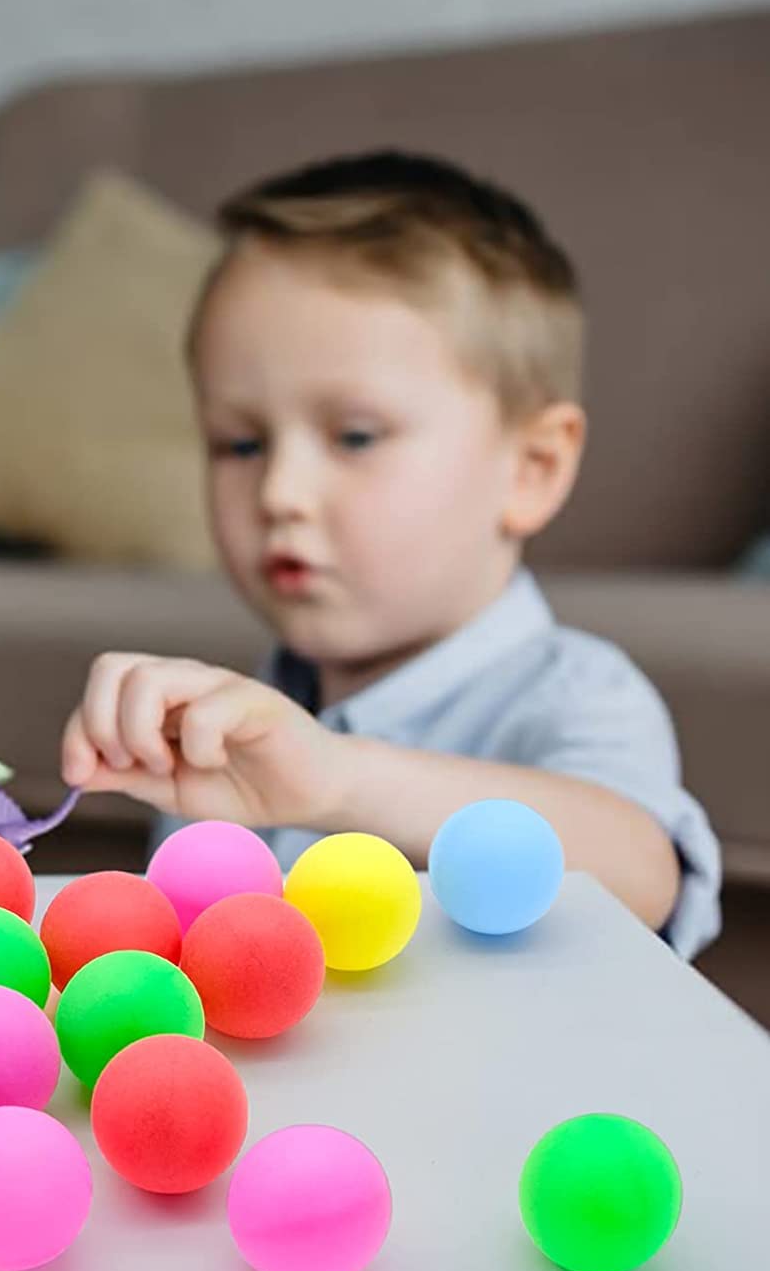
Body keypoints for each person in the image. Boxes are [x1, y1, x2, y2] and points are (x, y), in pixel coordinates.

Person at [60, 150, 721, 957]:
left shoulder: (575, 694)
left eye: (356, 436)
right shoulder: (230, 724)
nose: (281, 491)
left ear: (532, 468)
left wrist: (337, 781)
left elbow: (637, 873)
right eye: (239, 443)